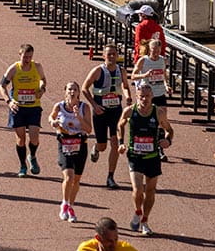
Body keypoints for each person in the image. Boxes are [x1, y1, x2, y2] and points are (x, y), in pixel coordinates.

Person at [117, 81, 174, 236]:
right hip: (135, 155)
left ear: (152, 96)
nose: (144, 99)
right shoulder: (129, 111)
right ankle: (137, 211)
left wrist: (167, 141)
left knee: (150, 191)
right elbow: (120, 125)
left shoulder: (159, 113)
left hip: (152, 156)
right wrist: (121, 143)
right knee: (137, 189)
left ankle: (145, 220)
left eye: (147, 96)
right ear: (137, 96)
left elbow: (169, 130)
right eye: (141, 96)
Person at [82, 43, 131, 190]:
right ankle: (96, 148)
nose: (111, 57)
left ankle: (110, 176)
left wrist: (128, 97)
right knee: (103, 146)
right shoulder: (98, 71)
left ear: (117, 56)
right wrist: (94, 105)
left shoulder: (121, 70)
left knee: (115, 144)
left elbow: (125, 86)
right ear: (104, 56)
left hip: (116, 111)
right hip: (100, 112)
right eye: (108, 54)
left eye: (114, 54)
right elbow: (84, 88)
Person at [0, 44, 47, 177]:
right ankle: (22, 166)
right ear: (19, 55)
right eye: (25, 57)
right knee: (20, 139)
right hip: (18, 108)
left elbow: (43, 80)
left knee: (34, 137)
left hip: (33, 107)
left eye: (29, 57)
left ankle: (32, 156)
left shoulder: (37, 67)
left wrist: (42, 89)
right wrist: (9, 101)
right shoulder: (14, 69)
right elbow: (2, 85)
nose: (27, 59)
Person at [52, 81, 93, 222]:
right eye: (69, 89)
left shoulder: (84, 108)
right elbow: (51, 117)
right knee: (68, 176)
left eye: (75, 89)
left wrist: (79, 117)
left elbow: (89, 129)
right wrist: (53, 122)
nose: (72, 92)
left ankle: (71, 205)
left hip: (80, 144)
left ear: (78, 93)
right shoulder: (59, 106)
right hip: (64, 143)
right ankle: (64, 203)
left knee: (76, 179)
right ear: (65, 91)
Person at [74, 217, 146, 251]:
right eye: (109, 241)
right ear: (98, 238)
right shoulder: (84, 250)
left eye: (116, 239)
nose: (114, 244)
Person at [132, 37, 169, 110]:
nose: (156, 53)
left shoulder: (163, 60)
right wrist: (145, 75)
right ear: (149, 49)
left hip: (160, 93)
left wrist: (166, 85)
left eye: (158, 51)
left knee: (162, 117)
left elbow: (164, 74)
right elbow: (133, 76)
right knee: (145, 115)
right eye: (153, 50)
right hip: (146, 94)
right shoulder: (143, 60)